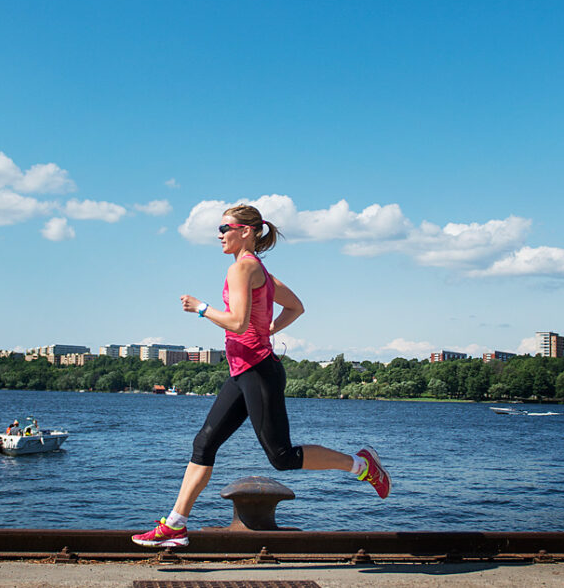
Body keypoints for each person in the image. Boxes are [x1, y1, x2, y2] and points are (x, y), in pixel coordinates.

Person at [131, 204, 391, 549]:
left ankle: (362, 465)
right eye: (219, 229)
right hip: (242, 371)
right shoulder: (261, 272)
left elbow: (238, 322)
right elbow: (296, 307)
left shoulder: (241, 269)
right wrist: (268, 328)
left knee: (281, 456)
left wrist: (202, 308)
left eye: (225, 228)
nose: (219, 235)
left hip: (258, 370)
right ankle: (175, 525)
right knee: (204, 443)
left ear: (246, 231)